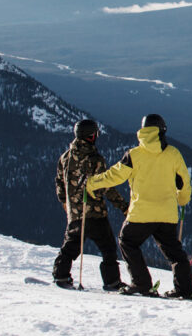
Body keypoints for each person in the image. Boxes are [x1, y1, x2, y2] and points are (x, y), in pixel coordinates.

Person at [87, 114, 192, 299]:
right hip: (167, 214)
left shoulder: (134, 155)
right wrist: (182, 200)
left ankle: (141, 283)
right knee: (174, 252)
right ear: (162, 131)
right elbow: (184, 183)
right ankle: (185, 289)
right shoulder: (173, 154)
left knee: (128, 242)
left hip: (141, 213)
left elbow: (114, 176)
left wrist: (92, 183)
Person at [53, 119, 129, 291]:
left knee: (71, 245)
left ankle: (60, 274)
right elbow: (106, 186)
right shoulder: (95, 159)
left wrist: (65, 202)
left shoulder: (65, 157)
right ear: (91, 136)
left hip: (75, 213)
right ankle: (112, 282)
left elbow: (59, 182)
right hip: (95, 213)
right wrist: (123, 206)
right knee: (108, 248)